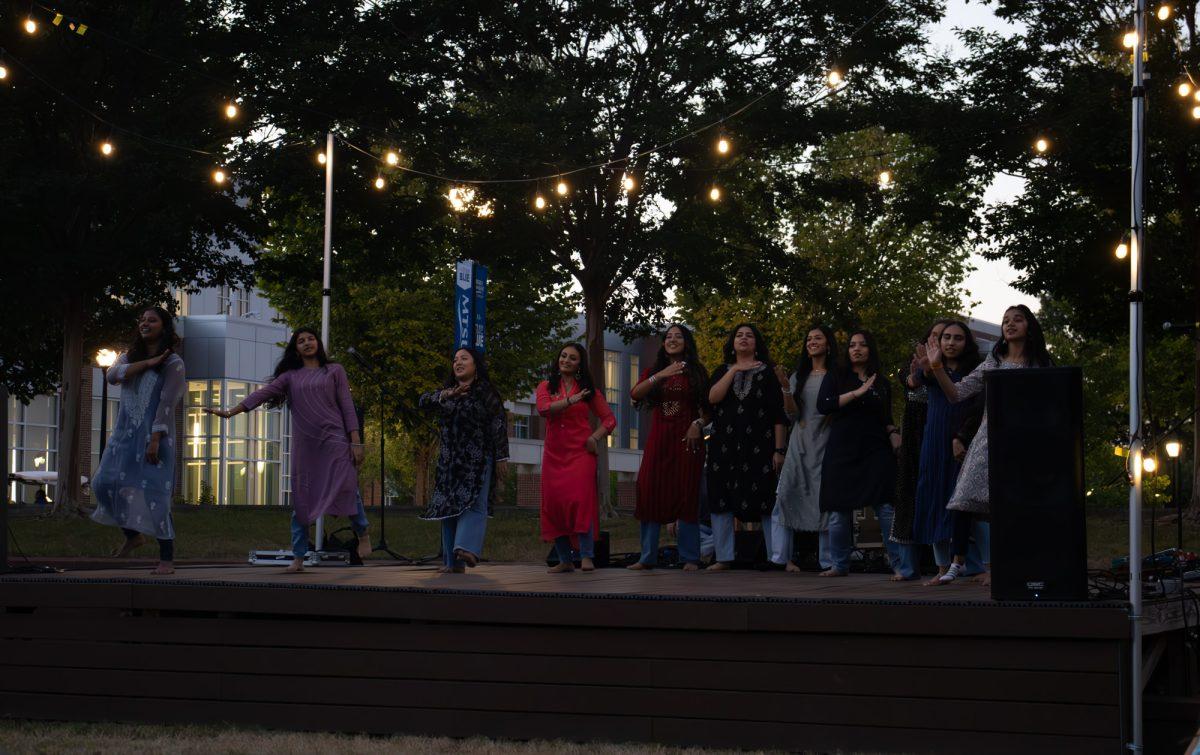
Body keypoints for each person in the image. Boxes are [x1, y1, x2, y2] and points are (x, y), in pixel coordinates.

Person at [205, 328, 363, 573]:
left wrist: (355, 441)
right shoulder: (290, 376)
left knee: (347, 487)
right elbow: (262, 394)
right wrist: (230, 412)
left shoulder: (334, 371)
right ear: (296, 349)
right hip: (306, 447)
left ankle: (362, 533)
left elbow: (347, 405)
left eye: (311, 338)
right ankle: (298, 557)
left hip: (335, 442)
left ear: (318, 343)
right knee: (301, 499)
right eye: (301, 341)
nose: (307, 343)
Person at [925, 304, 1052, 586]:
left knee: (1014, 505)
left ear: (1029, 326)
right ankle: (957, 563)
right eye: (1005, 320)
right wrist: (935, 367)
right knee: (964, 497)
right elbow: (957, 394)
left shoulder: (1040, 365)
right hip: (988, 439)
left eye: (1017, 320)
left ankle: (1010, 567)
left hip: (1024, 442)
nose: (1010, 324)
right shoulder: (994, 361)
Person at [92, 306, 186, 575]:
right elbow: (111, 376)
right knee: (103, 483)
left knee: (156, 497)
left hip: (154, 439)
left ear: (164, 327)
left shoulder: (173, 363)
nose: (145, 323)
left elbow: (167, 404)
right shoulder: (127, 357)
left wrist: (155, 439)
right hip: (123, 437)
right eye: (142, 320)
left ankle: (166, 558)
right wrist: (147, 364)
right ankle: (133, 536)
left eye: (152, 320)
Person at [817, 329, 916, 580]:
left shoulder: (880, 381)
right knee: (839, 511)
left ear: (870, 349)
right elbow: (824, 404)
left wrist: (893, 432)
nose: (856, 349)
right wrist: (855, 394)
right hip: (842, 449)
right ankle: (839, 565)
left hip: (875, 448)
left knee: (885, 507)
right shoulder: (836, 376)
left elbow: (885, 415)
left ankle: (901, 567)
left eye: (862, 345)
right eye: (852, 345)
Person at [419, 347, 509, 573]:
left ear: (475, 365)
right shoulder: (447, 392)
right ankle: (452, 563)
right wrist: (447, 394)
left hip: (477, 459)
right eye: (455, 360)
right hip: (449, 462)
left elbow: (498, 423)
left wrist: (501, 457)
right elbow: (422, 402)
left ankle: (467, 548)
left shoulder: (485, 391)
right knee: (448, 509)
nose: (458, 363)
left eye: (464, 359)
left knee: (474, 502)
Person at [705, 323, 788, 570]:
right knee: (721, 501)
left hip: (760, 446)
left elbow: (779, 415)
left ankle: (776, 557)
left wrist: (779, 450)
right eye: (739, 335)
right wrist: (734, 371)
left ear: (756, 343)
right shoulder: (722, 370)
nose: (743, 339)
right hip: (724, 447)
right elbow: (712, 398)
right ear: (732, 343)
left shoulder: (769, 372)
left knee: (765, 499)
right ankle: (724, 558)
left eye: (749, 335)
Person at [628, 324, 708, 571]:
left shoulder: (697, 372)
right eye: (668, 337)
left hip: (688, 438)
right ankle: (647, 557)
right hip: (659, 438)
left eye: (678, 336)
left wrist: (698, 423)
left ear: (687, 342)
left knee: (686, 492)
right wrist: (661, 374)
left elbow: (709, 411)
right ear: (663, 344)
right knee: (650, 489)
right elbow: (635, 393)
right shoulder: (654, 371)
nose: (673, 340)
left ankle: (690, 557)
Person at [908, 321, 983, 584]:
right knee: (933, 499)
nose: (950, 342)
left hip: (965, 441)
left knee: (965, 503)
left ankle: (977, 566)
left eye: (958, 338)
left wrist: (962, 436)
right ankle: (942, 568)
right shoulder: (931, 367)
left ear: (967, 343)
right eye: (946, 338)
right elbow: (912, 383)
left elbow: (977, 408)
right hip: (934, 441)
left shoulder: (974, 370)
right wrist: (923, 368)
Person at [536, 343, 616, 573]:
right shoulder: (546, 386)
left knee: (580, 503)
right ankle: (565, 559)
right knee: (555, 505)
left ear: (580, 364)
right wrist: (572, 400)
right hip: (554, 455)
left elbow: (609, 420)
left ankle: (587, 556)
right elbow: (544, 409)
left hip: (580, 453)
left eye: (572, 358)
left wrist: (595, 437)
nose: (566, 360)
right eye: (563, 356)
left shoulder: (588, 390)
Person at [770, 326, 838, 572]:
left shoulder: (836, 376)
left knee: (825, 501)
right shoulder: (800, 375)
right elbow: (792, 413)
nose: (812, 342)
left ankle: (828, 561)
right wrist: (786, 388)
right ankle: (781, 558)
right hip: (799, 441)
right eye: (808, 338)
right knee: (785, 496)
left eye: (818, 338)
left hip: (826, 442)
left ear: (828, 344)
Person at [890, 321, 950, 548]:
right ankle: (908, 565)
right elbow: (910, 382)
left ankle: (963, 561)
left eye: (943, 336)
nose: (936, 340)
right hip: (915, 434)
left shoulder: (955, 368)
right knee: (909, 491)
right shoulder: (914, 363)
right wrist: (919, 372)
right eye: (933, 335)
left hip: (942, 432)